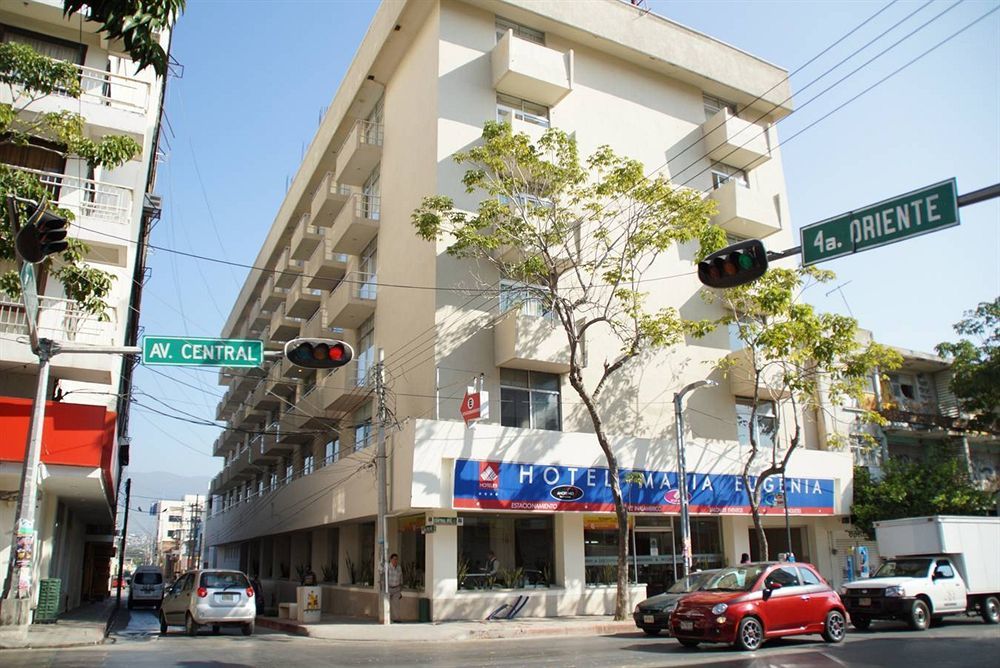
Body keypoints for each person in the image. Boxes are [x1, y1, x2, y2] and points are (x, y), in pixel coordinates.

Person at [387, 553, 403, 622]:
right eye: (394, 559)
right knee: (387, 604)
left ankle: (396, 618)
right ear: (390, 560)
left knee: (396, 604)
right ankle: (388, 618)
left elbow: (401, 577)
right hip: (389, 588)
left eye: (396, 559)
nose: (395, 561)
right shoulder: (387, 567)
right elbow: (383, 578)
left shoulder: (399, 567)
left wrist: (401, 587)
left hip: (396, 588)